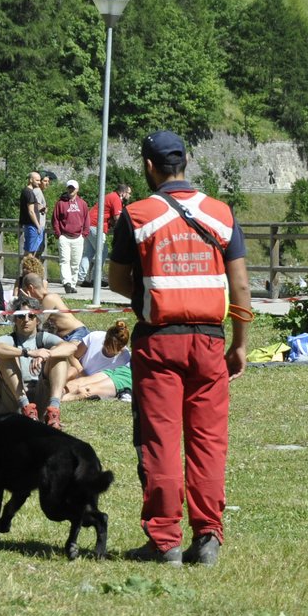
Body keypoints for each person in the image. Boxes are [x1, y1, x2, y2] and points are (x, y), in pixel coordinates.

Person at [108, 129, 251, 568]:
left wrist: (147, 296)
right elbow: (241, 286)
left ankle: (164, 541)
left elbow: (116, 279)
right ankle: (207, 536)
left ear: (150, 167)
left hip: (159, 343)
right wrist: (241, 345)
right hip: (210, 341)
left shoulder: (136, 215)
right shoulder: (221, 214)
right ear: (185, 163)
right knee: (209, 442)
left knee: (162, 442)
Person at [0, 298, 69, 423]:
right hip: (14, 399)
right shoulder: (9, 339)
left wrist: (47, 354)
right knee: (6, 356)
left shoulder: (43, 338)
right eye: (21, 316)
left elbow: (71, 347)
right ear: (15, 319)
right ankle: (25, 407)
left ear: (38, 319)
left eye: (31, 316)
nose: (26, 320)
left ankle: (53, 411)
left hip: (39, 394)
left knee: (60, 357)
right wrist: (29, 353)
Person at [54, 320, 133, 403]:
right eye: (107, 346)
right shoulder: (95, 337)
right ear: (105, 339)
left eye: (113, 350)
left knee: (84, 388)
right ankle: (55, 389)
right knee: (71, 371)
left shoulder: (125, 358)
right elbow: (73, 356)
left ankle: (60, 396)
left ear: (122, 348)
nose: (109, 351)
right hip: (79, 371)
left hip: (96, 381)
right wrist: (82, 372)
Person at [16, 270, 87, 343]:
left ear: (30, 288)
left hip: (76, 333)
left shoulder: (49, 298)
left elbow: (38, 322)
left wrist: (29, 300)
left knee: (70, 352)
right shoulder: (42, 300)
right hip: (65, 337)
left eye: (25, 290)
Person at [52, 178, 88, 293]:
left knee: (75, 263)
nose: (71, 190)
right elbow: (55, 219)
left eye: (73, 188)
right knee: (64, 260)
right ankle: (66, 282)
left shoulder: (82, 204)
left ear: (77, 189)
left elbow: (87, 219)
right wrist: (58, 233)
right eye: (69, 188)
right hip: (65, 236)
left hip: (78, 237)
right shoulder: (60, 203)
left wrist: (84, 233)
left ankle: (73, 284)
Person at [18, 170, 45, 255]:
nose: (39, 182)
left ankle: (27, 267)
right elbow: (31, 211)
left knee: (30, 250)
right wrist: (38, 226)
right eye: (37, 180)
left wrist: (39, 207)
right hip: (31, 225)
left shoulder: (26, 191)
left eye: (40, 180)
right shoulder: (29, 192)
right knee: (30, 252)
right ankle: (27, 268)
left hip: (29, 224)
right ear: (30, 180)